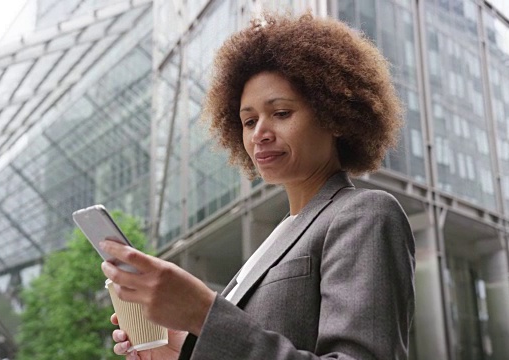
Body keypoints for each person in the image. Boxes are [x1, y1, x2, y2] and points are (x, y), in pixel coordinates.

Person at [100, 12, 415, 360]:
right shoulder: (273, 241)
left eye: (281, 113)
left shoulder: (365, 213)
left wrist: (203, 313)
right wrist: (182, 351)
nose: (259, 134)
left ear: (334, 116)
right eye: (249, 121)